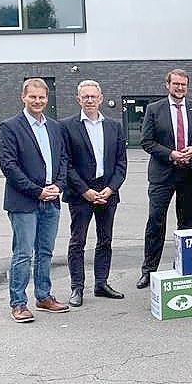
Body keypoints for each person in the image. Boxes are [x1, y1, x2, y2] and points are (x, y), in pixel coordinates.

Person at [0, 77, 70, 322]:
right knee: (23, 253)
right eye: (33, 97)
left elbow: (63, 160)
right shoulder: (10, 126)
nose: (37, 101)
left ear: (47, 99)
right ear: (23, 97)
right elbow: (9, 166)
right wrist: (37, 190)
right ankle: (18, 303)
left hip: (52, 199)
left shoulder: (55, 126)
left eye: (42, 97)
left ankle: (43, 296)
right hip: (24, 201)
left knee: (46, 252)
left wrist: (58, 185)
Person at [135, 69, 192, 289]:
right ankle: (148, 270)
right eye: (176, 84)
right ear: (167, 85)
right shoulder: (154, 109)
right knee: (156, 221)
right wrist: (171, 154)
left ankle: (185, 267)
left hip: (190, 173)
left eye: (183, 85)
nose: (179, 88)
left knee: (188, 223)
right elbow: (146, 141)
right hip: (163, 174)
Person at [60, 80, 128, 307]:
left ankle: (101, 283)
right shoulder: (67, 126)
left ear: (100, 99)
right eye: (85, 97)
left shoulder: (114, 126)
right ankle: (77, 288)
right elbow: (66, 164)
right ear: (78, 99)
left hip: (108, 191)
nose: (89, 100)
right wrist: (86, 191)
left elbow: (121, 163)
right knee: (77, 241)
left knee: (105, 240)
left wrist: (111, 189)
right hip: (81, 194)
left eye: (93, 96)